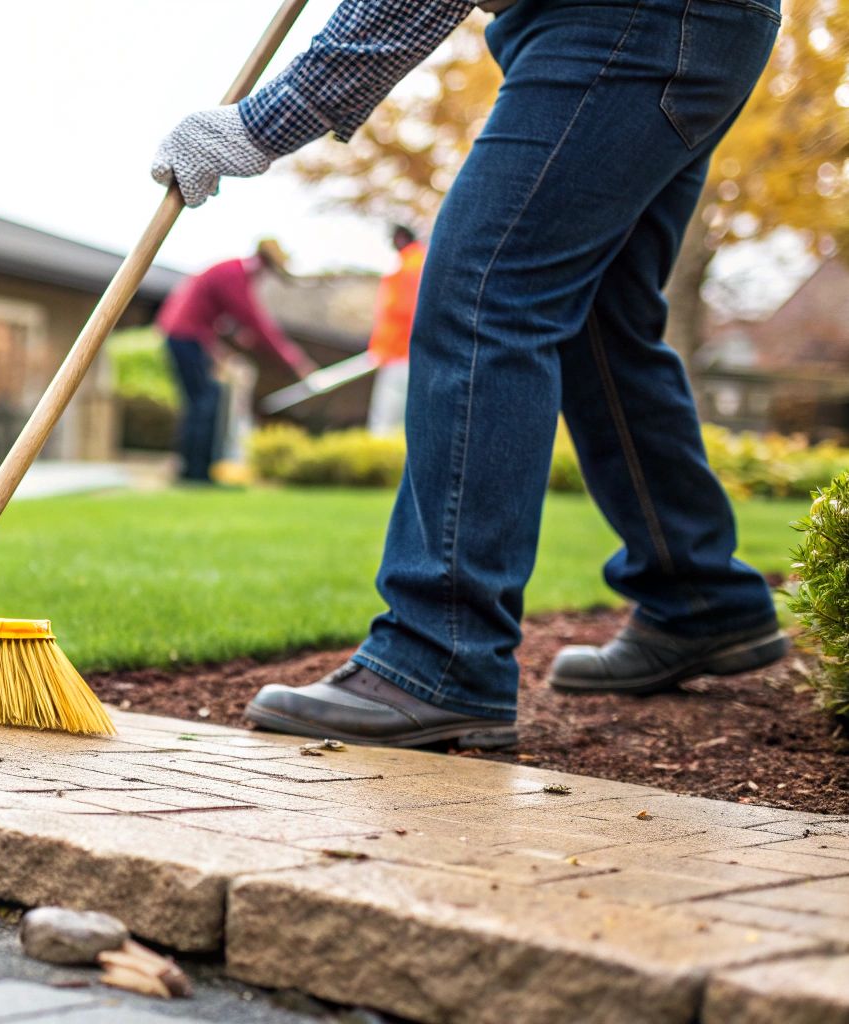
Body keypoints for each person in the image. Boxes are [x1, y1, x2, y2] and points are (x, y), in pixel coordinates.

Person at [151, 0, 787, 748]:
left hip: (629, 20)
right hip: (680, 26)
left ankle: (438, 655)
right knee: (598, 321)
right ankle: (699, 595)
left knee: (483, 291)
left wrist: (263, 123)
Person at [156, 242, 319, 483]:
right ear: (265, 263)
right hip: (185, 336)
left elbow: (225, 321)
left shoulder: (231, 271)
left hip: (186, 336)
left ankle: (193, 471)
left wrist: (223, 349)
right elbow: (256, 322)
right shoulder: (234, 275)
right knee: (205, 401)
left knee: (204, 399)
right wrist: (296, 361)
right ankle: (195, 474)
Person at [366, 224, 424, 437]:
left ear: (401, 238)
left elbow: (402, 311)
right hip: (406, 354)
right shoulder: (417, 262)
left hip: (401, 355)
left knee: (385, 425)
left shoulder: (411, 267)